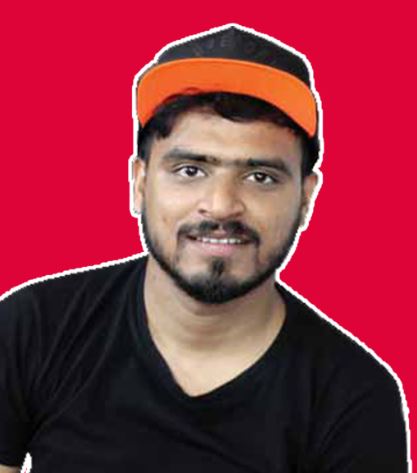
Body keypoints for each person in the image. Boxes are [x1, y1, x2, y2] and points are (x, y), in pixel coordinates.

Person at [0, 24, 409, 473]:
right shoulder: (34, 328)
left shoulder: (354, 400)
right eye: (190, 170)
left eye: (260, 177)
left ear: (306, 198)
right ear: (139, 183)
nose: (221, 205)